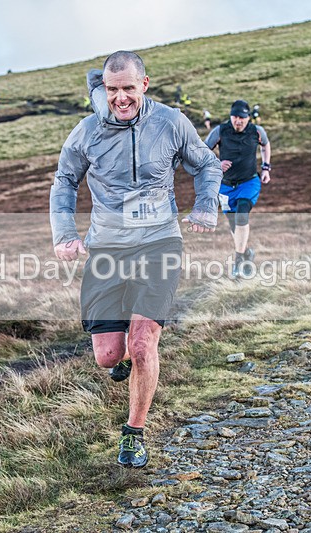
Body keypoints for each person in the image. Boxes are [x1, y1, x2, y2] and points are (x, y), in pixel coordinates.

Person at [50, 51, 221, 468]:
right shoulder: (86, 131)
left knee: (143, 344)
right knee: (110, 355)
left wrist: (205, 206)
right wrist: (64, 235)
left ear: (144, 84)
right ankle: (121, 355)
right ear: (102, 90)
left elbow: (207, 164)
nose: (121, 98)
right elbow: (65, 181)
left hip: (159, 242)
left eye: (129, 88)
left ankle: (134, 433)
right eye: (112, 90)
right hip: (107, 248)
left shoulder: (171, 122)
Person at [204, 99, 272, 278]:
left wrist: (266, 167)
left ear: (248, 118)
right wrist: (216, 164)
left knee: (242, 213)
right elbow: (201, 151)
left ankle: (238, 261)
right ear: (230, 117)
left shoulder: (256, 131)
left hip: (249, 182)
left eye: (242, 117)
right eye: (235, 117)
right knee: (234, 224)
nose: (238, 121)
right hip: (225, 186)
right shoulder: (220, 131)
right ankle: (246, 253)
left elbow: (265, 145)